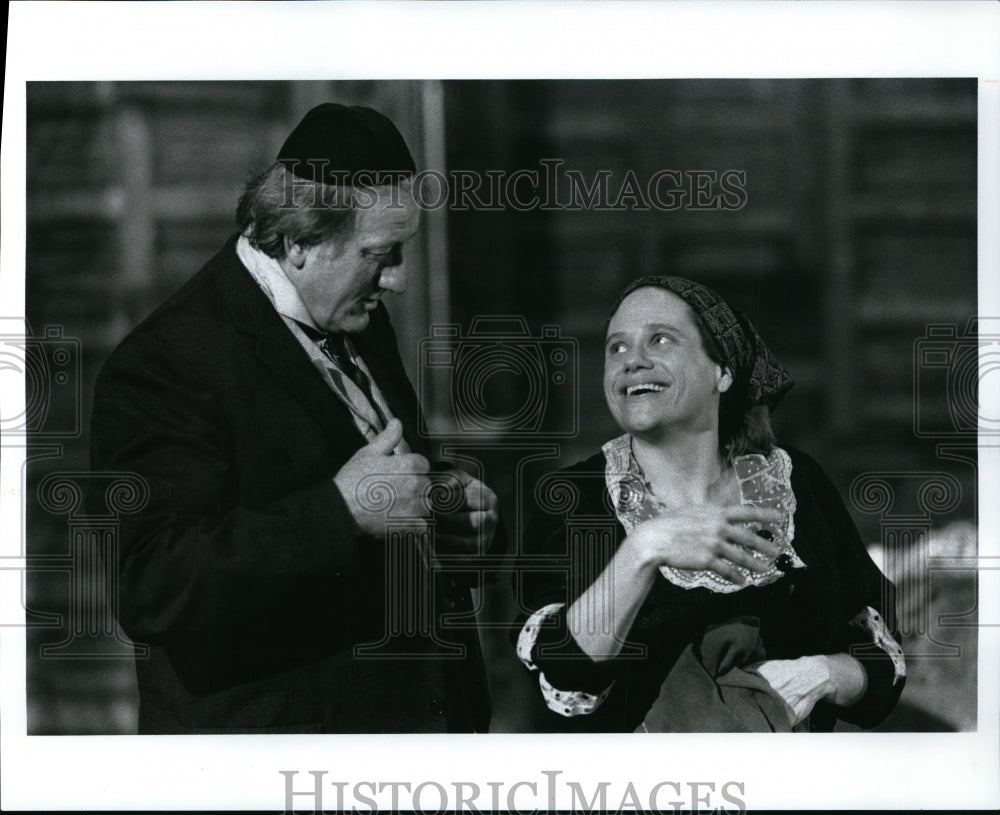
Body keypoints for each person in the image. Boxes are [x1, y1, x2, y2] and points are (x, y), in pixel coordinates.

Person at [90, 103, 500, 733]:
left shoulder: (354, 313)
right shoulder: (167, 362)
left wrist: (441, 508)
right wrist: (342, 512)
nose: (397, 279)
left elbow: (359, 464)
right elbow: (154, 586)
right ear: (299, 241)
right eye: (380, 253)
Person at [512, 276, 906, 732]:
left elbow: (880, 653)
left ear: (722, 371)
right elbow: (564, 679)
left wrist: (822, 675)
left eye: (659, 340)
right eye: (616, 348)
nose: (632, 361)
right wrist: (643, 549)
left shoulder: (794, 483)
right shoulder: (573, 501)